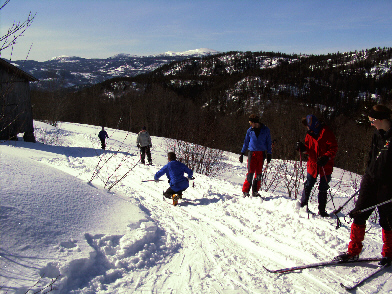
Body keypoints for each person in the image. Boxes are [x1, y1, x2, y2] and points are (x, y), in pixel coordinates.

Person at [334, 105, 392, 266]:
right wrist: (368, 173)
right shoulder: (377, 134)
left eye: (372, 120)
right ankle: (353, 251)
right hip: (371, 180)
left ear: (381, 119)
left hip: (388, 185)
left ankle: (388, 254)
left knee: (387, 220)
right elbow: (371, 156)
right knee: (359, 214)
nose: (371, 124)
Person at [296, 115, 338, 217]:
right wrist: (302, 149)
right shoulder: (309, 134)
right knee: (308, 184)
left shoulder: (326, 132)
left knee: (323, 187)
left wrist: (326, 157)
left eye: (307, 126)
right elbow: (308, 149)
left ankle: (322, 210)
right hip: (313, 164)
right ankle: (303, 205)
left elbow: (333, 148)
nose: (307, 128)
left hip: (325, 165)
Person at [239, 114, 272, 197]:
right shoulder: (250, 131)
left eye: (251, 123)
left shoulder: (265, 130)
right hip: (251, 153)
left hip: (261, 153)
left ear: (255, 122)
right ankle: (246, 191)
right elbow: (246, 142)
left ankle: (255, 191)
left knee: (259, 173)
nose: (250, 124)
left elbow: (269, 142)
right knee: (250, 172)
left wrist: (269, 154)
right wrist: (242, 153)